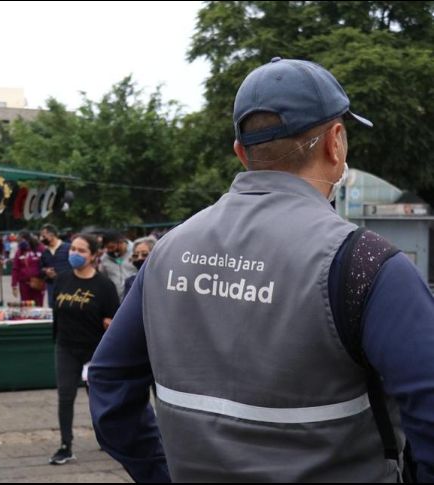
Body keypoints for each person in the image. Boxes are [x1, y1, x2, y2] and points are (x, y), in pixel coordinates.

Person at [88, 57, 434, 482]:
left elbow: (109, 381)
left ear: (241, 152)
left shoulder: (167, 251)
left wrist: (160, 472)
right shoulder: (366, 264)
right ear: (335, 142)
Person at [49, 233, 120, 466]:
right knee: (65, 395)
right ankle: (65, 446)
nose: (75, 254)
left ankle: (107, 438)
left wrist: (108, 323)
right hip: (66, 347)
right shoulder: (62, 279)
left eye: (81, 251)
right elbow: (56, 311)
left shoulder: (104, 286)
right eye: (73, 249)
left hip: (94, 351)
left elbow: (113, 318)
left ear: (93, 255)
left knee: (98, 397)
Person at [98, 231, 136, 300]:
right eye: (107, 247)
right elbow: (103, 278)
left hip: (134, 298)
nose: (109, 250)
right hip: (115, 299)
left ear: (121, 242)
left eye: (111, 247)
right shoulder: (105, 258)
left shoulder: (136, 252)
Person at [39, 224, 71, 306]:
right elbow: (40, 268)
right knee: (52, 308)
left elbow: (75, 267)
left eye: (43, 236)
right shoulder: (44, 252)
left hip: (67, 286)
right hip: (51, 287)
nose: (41, 239)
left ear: (51, 235)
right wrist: (46, 271)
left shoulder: (68, 248)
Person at [10, 231, 45, 305]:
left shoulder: (40, 248)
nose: (19, 242)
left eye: (20, 240)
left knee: (39, 306)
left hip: (38, 283)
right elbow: (15, 269)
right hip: (24, 284)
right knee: (26, 307)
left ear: (26, 239)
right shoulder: (19, 251)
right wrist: (14, 285)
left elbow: (47, 263)